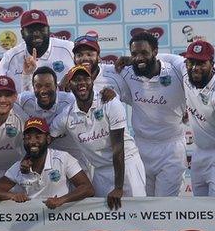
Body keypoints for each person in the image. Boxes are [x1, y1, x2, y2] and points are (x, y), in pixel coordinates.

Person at [158, 40, 215, 197]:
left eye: (201, 63)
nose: (195, 68)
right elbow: (167, 58)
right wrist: (130, 60)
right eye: (191, 62)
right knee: (201, 209)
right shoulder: (185, 69)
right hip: (198, 153)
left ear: (212, 63)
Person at [50, 65, 146, 210]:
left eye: (85, 78)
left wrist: (118, 188)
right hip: (100, 171)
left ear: (92, 81)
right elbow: (47, 137)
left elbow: (118, 148)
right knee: (105, 219)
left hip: (127, 165)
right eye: (76, 80)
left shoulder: (110, 102)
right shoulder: (67, 115)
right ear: (69, 86)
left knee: (137, 212)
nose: (81, 82)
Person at [119, 31, 187, 197]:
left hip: (171, 150)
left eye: (144, 53)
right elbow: (99, 75)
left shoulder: (176, 72)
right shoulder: (127, 73)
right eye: (134, 54)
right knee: (144, 206)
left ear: (155, 52)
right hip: (141, 147)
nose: (138, 58)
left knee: (164, 207)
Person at [0, 117, 94, 208]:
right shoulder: (18, 167)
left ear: (48, 139)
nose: (32, 141)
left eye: (38, 137)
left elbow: (87, 188)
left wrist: (61, 200)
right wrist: (12, 196)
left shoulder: (62, 158)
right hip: (32, 223)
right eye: (28, 137)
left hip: (61, 220)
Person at [0, 9, 74, 92]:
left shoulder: (69, 49)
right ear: (22, 33)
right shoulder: (10, 57)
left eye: (41, 29)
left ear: (48, 30)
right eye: (31, 30)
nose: (36, 34)